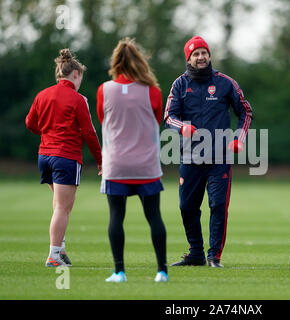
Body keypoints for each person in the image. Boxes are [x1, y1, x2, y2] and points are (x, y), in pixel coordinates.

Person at [164, 36, 253, 268]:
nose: (201, 57)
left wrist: (238, 138)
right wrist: (181, 126)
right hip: (189, 157)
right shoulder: (179, 84)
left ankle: (214, 256)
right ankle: (195, 253)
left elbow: (245, 111)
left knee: (218, 206)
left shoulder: (225, 83)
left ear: (210, 55)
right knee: (187, 207)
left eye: (204, 52)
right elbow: (168, 117)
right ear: (189, 58)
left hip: (219, 159)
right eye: (196, 54)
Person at [97, 38, 168, 283]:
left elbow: (103, 120)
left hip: (116, 165)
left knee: (116, 217)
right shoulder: (153, 91)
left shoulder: (104, 89)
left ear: (116, 62)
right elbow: (156, 121)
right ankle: (162, 271)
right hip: (146, 165)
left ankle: (119, 272)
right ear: (140, 62)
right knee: (154, 217)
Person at [25, 49, 102, 267]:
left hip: (44, 157)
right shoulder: (78, 99)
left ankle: (61, 249)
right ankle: (54, 255)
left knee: (59, 205)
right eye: (81, 78)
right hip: (65, 157)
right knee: (63, 208)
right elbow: (89, 132)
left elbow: (30, 124)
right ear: (75, 74)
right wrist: (101, 160)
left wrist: (48, 132)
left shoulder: (42, 94)